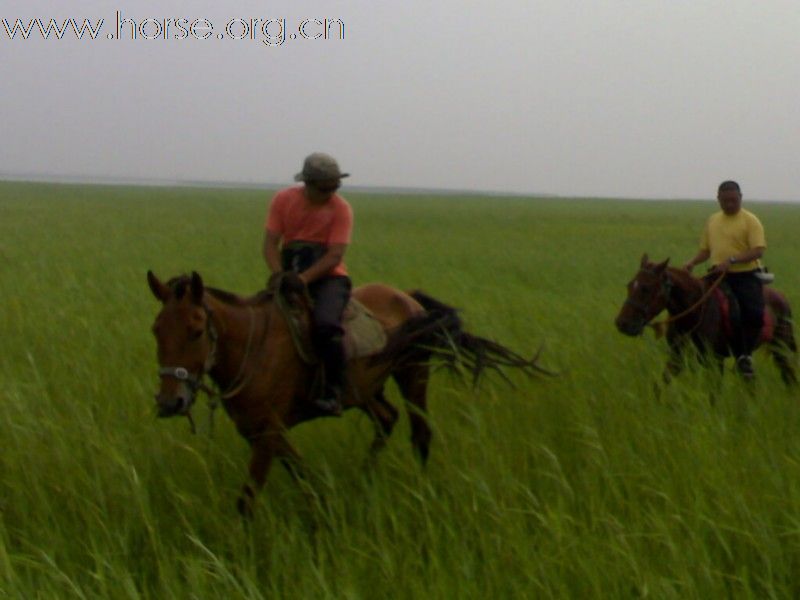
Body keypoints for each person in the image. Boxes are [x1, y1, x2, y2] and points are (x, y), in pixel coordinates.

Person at [263, 152, 353, 415]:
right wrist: (280, 274)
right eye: (325, 188)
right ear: (308, 184)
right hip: (289, 274)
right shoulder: (283, 200)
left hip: (329, 278)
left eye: (335, 187)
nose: (331, 193)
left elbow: (335, 255)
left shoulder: (341, 209)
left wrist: (302, 280)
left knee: (325, 325)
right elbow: (270, 244)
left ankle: (335, 391)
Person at [682, 180, 766, 379]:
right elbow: (705, 250)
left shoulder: (750, 220)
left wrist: (732, 260)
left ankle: (744, 356)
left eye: (733, 200)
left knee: (752, 313)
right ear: (718, 199)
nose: (729, 204)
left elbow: (758, 250)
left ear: (740, 198)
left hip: (746, 276)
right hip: (717, 275)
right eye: (725, 200)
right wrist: (692, 262)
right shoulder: (713, 220)